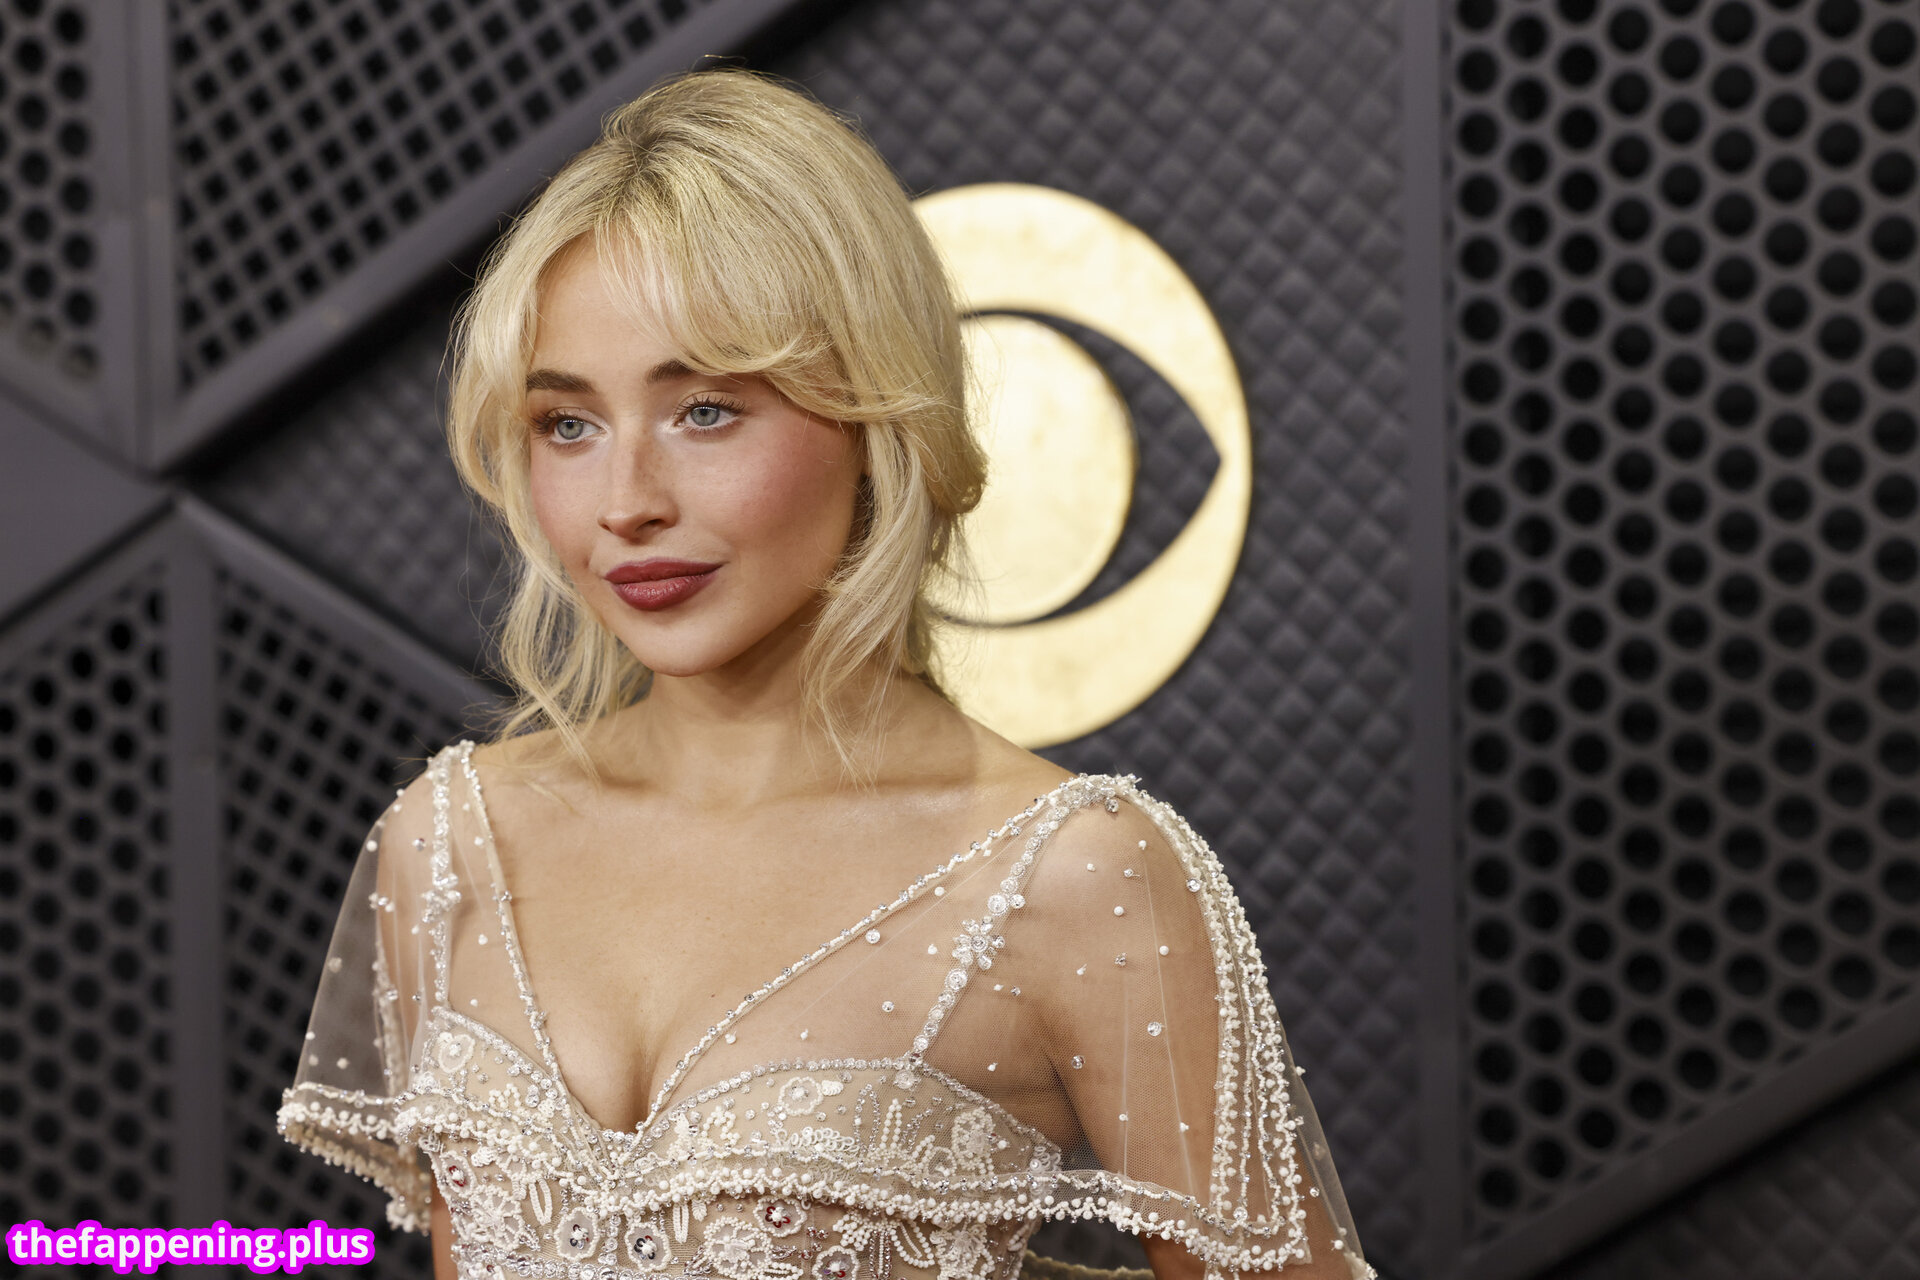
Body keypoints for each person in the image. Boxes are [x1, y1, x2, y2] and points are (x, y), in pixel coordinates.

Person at [276, 67, 1374, 1280]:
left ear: (873, 415)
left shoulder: (1075, 874)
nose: (627, 502)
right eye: (568, 425)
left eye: (705, 410)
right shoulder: (450, 842)